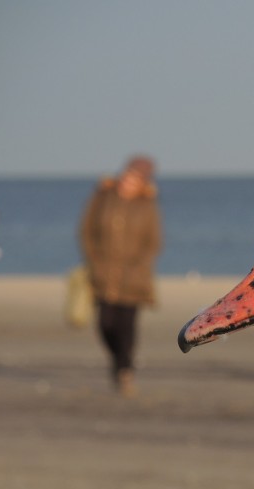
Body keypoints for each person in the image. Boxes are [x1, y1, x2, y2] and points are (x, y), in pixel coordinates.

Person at [79, 155, 163, 397]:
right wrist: (93, 258)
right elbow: (86, 229)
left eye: (135, 178)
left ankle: (125, 371)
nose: (128, 181)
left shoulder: (147, 205)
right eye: (128, 175)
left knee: (127, 326)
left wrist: (139, 265)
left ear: (143, 181)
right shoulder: (103, 196)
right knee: (105, 324)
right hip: (103, 273)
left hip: (133, 277)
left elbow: (153, 241)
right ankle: (118, 361)